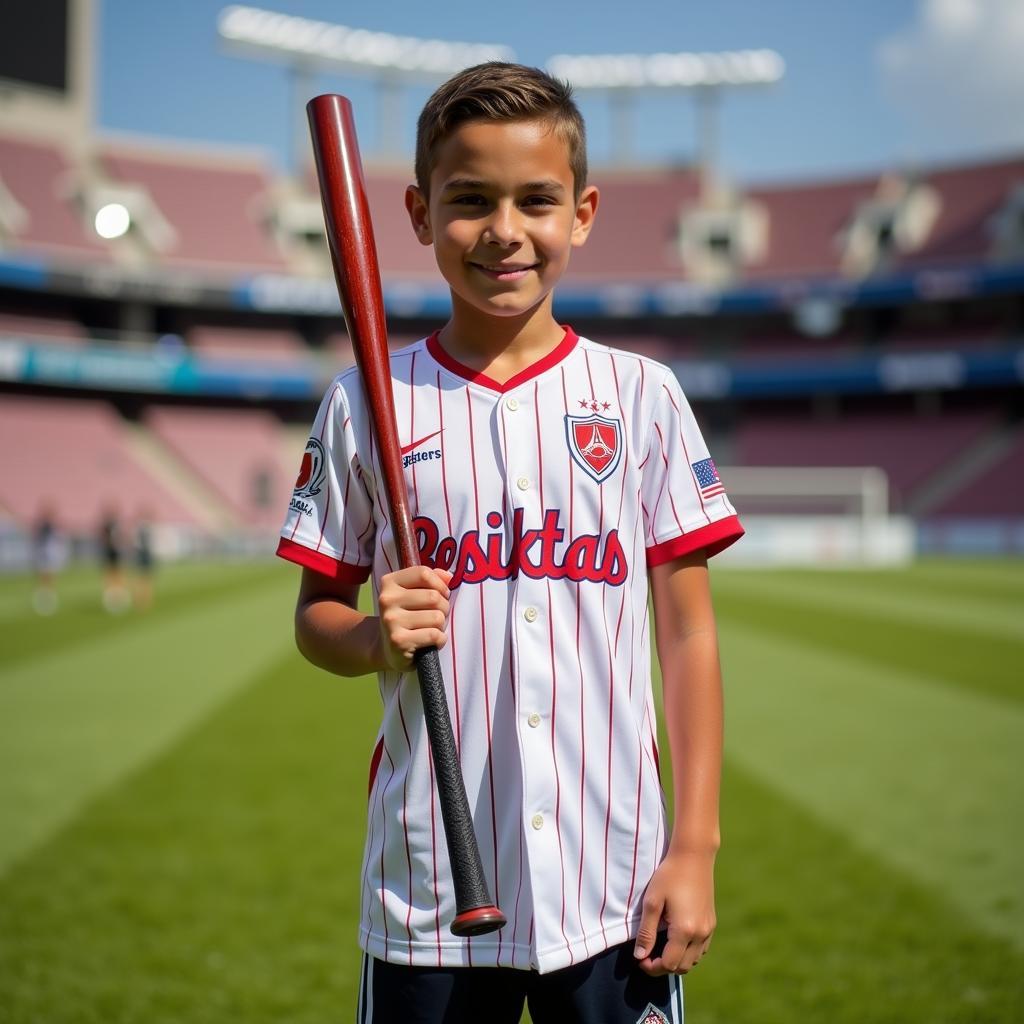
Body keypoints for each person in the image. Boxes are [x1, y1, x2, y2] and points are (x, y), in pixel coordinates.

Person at [277, 62, 744, 1024]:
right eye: (470, 200)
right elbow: (315, 616)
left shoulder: (642, 398)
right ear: (417, 212)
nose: (504, 230)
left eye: (536, 199)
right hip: (428, 889)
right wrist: (371, 637)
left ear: (582, 211)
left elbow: (689, 637)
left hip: (614, 887)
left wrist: (693, 847)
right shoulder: (365, 401)